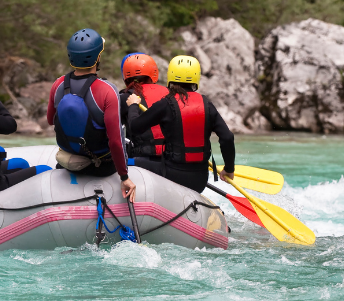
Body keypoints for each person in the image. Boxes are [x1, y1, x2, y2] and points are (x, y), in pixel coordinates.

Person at [47, 28, 136, 202]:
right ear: (98, 57)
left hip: (67, 163)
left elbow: (51, 120)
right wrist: (124, 177)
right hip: (100, 168)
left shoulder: (57, 84)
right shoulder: (107, 91)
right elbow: (116, 142)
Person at [126, 55, 235, 194]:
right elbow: (227, 137)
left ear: (170, 76)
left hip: (171, 175)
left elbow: (135, 127)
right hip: (200, 179)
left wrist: (133, 106)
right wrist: (229, 169)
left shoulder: (166, 104)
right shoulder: (207, 104)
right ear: (197, 77)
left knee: (129, 162)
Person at [118, 53, 169, 158]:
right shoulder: (169, 93)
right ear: (153, 73)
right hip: (170, 156)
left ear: (126, 77)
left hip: (142, 157)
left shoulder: (125, 97)